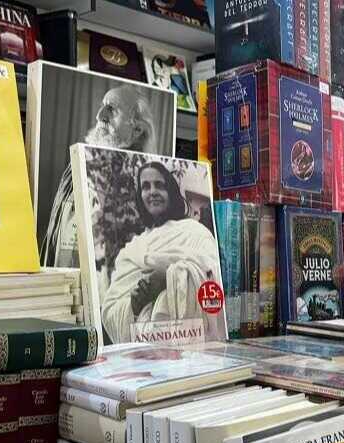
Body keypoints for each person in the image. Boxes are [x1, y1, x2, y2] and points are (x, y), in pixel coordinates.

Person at [102, 161, 226, 344]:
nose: (152, 192)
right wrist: (134, 303)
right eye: (146, 186)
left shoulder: (194, 232)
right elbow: (110, 311)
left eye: (159, 185)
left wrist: (167, 278)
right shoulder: (132, 250)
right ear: (140, 195)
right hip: (144, 350)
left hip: (189, 347)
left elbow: (215, 279)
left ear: (171, 192)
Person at [41, 85, 157, 266]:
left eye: (112, 109)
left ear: (137, 130)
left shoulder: (144, 184)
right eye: (103, 106)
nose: (99, 116)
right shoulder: (78, 165)